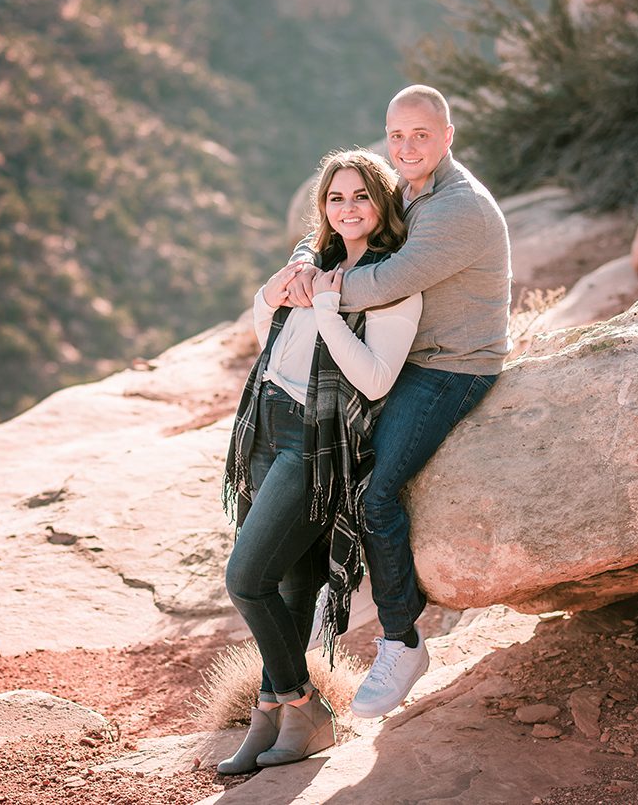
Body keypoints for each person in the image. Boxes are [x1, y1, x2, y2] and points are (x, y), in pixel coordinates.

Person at [282, 85, 511, 719]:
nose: (408, 148)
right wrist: (306, 260)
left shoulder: (457, 207)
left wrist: (322, 291)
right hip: (404, 355)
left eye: (422, 136)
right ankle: (324, 608)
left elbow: (387, 280)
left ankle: (403, 641)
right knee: (323, 455)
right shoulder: (407, 186)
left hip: (452, 366)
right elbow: (340, 217)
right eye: (397, 136)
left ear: (448, 136)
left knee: (377, 489)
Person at [218, 149, 423, 774]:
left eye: (361, 196)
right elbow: (274, 344)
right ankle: (269, 718)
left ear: (381, 202)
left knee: (245, 581)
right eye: (336, 198)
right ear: (323, 209)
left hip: (316, 444)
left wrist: (331, 313)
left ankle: (305, 708)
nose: (348, 208)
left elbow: (377, 379)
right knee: (291, 585)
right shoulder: (317, 261)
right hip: (267, 424)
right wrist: (269, 296)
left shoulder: (391, 281)